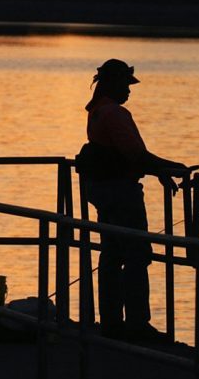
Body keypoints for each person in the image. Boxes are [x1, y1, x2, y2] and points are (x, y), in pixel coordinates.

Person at [79, 59, 186, 342]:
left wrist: (160, 170)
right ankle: (138, 324)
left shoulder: (98, 112)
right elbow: (136, 155)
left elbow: (128, 155)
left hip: (103, 191)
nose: (129, 91)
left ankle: (112, 322)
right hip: (121, 192)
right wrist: (173, 166)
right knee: (137, 256)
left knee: (112, 255)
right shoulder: (115, 113)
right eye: (126, 85)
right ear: (113, 84)